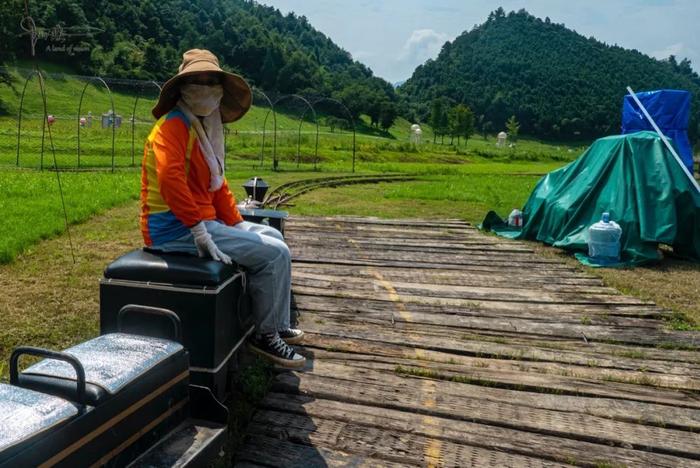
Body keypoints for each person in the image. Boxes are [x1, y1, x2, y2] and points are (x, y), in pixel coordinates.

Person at [140, 49, 305, 368]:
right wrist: (200, 231)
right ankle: (265, 335)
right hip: (174, 229)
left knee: (274, 238)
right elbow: (170, 179)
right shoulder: (172, 126)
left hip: (201, 221)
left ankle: (276, 323)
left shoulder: (202, 129)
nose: (205, 87)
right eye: (197, 81)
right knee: (273, 254)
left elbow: (217, 186)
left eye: (211, 81)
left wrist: (237, 224)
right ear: (182, 89)